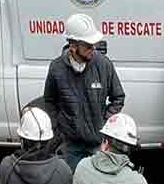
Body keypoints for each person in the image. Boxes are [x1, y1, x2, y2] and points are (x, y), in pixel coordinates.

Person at [44, 13, 125, 172]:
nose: (92, 49)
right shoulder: (56, 68)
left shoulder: (103, 65)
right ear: (73, 45)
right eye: (88, 45)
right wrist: (59, 127)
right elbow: (49, 101)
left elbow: (118, 98)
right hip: (70, 146)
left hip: (97, 145)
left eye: (93, 44)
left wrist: (103, 123)